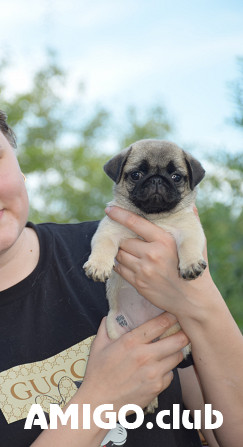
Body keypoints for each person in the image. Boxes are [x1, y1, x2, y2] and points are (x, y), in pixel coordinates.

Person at [0, 110, 242, 447]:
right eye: (139, 174)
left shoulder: (133, 252)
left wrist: (203, 304)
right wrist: (100, 400)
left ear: (16, 161)